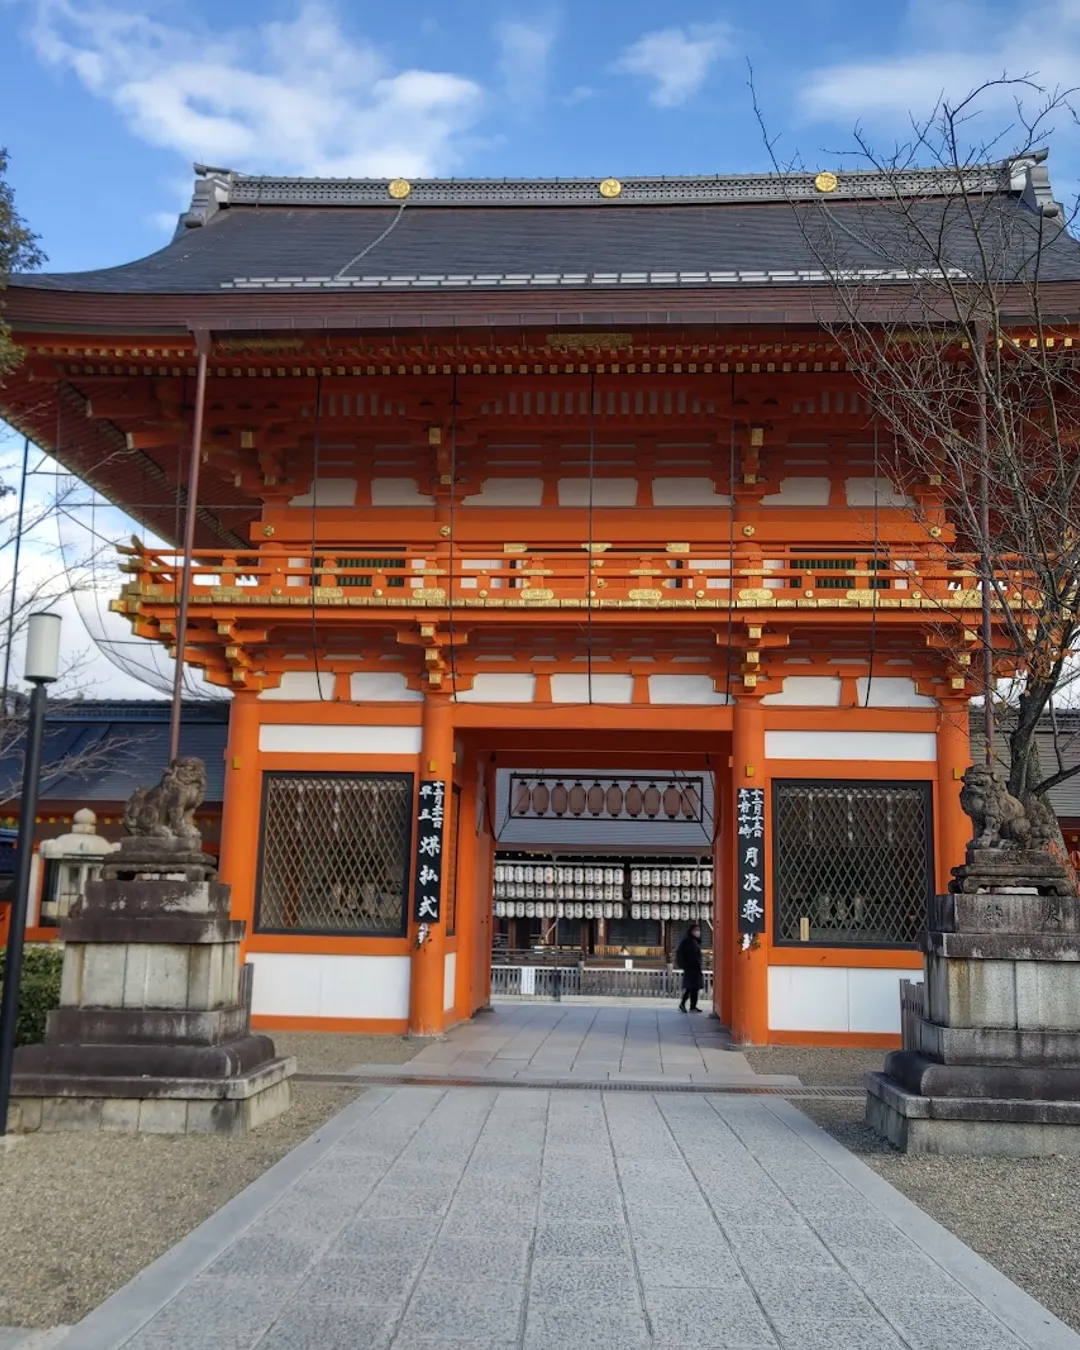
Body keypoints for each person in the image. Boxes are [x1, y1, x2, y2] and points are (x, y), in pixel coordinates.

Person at [676, 922, 703, 1013]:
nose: (698, 932)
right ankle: (683, 1004)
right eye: (696, 930)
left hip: (696, 968)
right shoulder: (687, 942)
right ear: (691, 931)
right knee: (690, 987)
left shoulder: (696, 941)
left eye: (699, 930)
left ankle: (693, 1006)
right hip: (690, 968)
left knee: (694, 988)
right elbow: (681, 955)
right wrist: (685, 964)